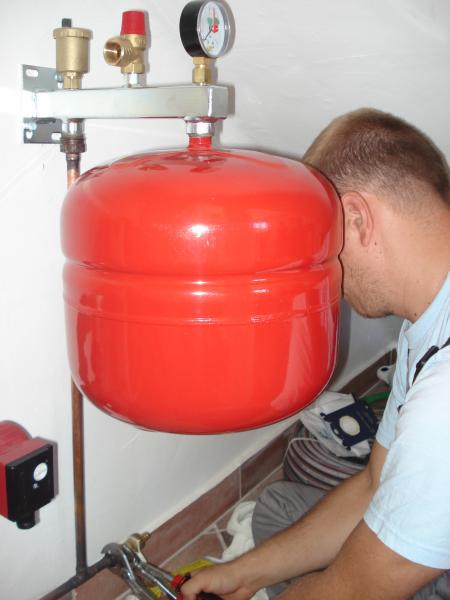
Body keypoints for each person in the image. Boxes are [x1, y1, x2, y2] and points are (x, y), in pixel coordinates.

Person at [181, 108, 450, 600]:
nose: (324, 276)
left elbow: (358, 589)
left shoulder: (442, 398)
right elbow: (373, 484)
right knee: (278, 507)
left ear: (357, 219)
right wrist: (246, 574)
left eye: (322, 249)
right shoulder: (426, 322)